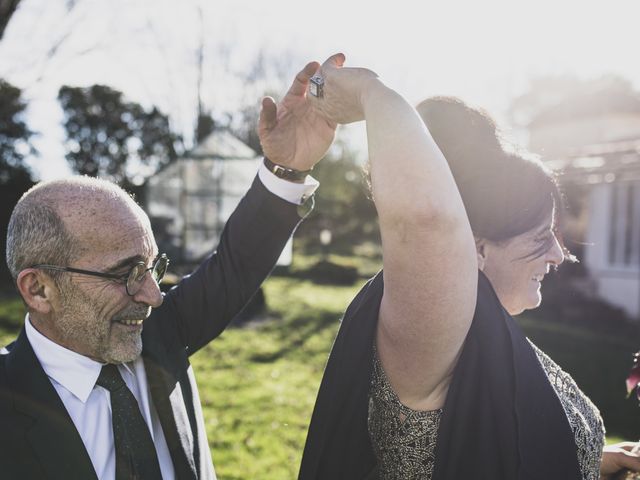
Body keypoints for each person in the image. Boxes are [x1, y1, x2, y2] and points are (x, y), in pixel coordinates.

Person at [298, 54, 640, 480]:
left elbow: (498, 444)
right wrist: (370, 91)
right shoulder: (433, 339)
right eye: (539, 238)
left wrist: (592, 459)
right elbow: (426, 218)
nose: (559, 254)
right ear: (473, 249)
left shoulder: (488, 329)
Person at [0, 61, 335, 480]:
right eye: (125, 273)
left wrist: (287, 168)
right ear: (39, 290)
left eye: (152, 266)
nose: (154, 295)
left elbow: (237, 264)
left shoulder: (160, 331)